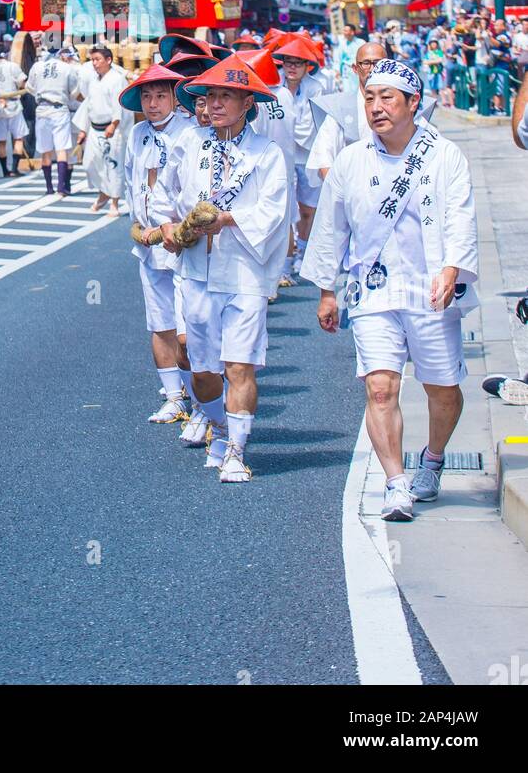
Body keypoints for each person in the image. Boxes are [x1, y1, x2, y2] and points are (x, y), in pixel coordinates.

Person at [303, 59, 479, 522]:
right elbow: (330, 227)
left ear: (413, 103)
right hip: (372, 290)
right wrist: (327, 290)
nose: (376, 108)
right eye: (369, 98)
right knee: (380, 388)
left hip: (429, 288)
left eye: (387, 98)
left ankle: (434, 459)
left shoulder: (444, 155)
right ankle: (396, 483)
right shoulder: (351, 160)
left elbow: (461, 215)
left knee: (442, 388)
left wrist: (452, 269)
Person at [159, 53, 289, 483]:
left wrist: (227, 219)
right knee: (202, 369)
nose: (214, 104)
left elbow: (273, 211)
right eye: (210, 96)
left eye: (225, 97)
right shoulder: (189, 143)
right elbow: (165, 191)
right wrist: (167, 226)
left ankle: (236, 449)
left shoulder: (266, 153)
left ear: (247, 103)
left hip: (244, 271)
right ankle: (215, 425)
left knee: (239, 364)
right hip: (196, 269)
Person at [121, 62, 195, 424]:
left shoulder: (190, 133)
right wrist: (137, 221)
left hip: (182, 245)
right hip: (149, 245)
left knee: (188, 330)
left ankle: (203, 400)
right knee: (159, 322)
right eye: (147, 96)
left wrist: (179, 230)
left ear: (173, 97)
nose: (153, 103)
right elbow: (130, 180)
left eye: (160, 95)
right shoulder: (136, 135)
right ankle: (173, 397)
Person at [270, 33, 325, 276]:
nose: (292, 67)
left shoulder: (316, 88)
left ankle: (302, 251)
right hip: (280, 153)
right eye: (288, 62)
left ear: (307, 66)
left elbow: (307, 126)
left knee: (306, 209)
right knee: (282, 207)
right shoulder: (273, 85)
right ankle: (284, 262)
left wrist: (285, 128)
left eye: (298, 63)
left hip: (307, 152)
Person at [306, 40, 388, 181]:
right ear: (355, 68)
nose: (373, 68)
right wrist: (338, 195)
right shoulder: (340, 108)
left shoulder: (403, 104)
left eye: (378, 63)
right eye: (366, 63)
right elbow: (323, 157)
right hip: (355, 185)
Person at [74, 44, 129, 215]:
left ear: (108, 60)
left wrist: (114, 123)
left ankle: (114, 202)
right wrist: (83, 129)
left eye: (98, 59)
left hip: (112, 128)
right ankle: (104, 193)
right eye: (93, 60)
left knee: (113, 165)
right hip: (94, 128)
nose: (95, 63)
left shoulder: (117, 78)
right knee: (90, 163)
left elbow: (118, 104)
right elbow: (88, 105)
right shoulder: (93, 80)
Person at [25, 47, 78, 196]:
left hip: (42, 108)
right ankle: (61, 188)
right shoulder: (66, 68)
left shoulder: (37, 66)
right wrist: (66, 98)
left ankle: (49, 187)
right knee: (62, 148)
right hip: (59, 108)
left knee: (45, 150)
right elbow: (75, 91)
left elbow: (29, 87)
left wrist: (40, 93)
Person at [0, 40, 28, 178]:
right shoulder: (13, 67)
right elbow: (23, 83)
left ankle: (5, 171)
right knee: (18, 138)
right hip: (13, 105)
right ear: (7, 54)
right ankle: (14, 168)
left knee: (1, 141)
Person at [332, 23, 362, 92]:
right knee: (347, 89)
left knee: (358, 89)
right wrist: (337, 70)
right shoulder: (342, 44)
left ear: (352, 32)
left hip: (358, 69)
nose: (344, 33)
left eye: (346, 31)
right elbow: (337, 58)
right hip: (346, 70)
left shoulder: (361, 42)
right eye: (344, 31)